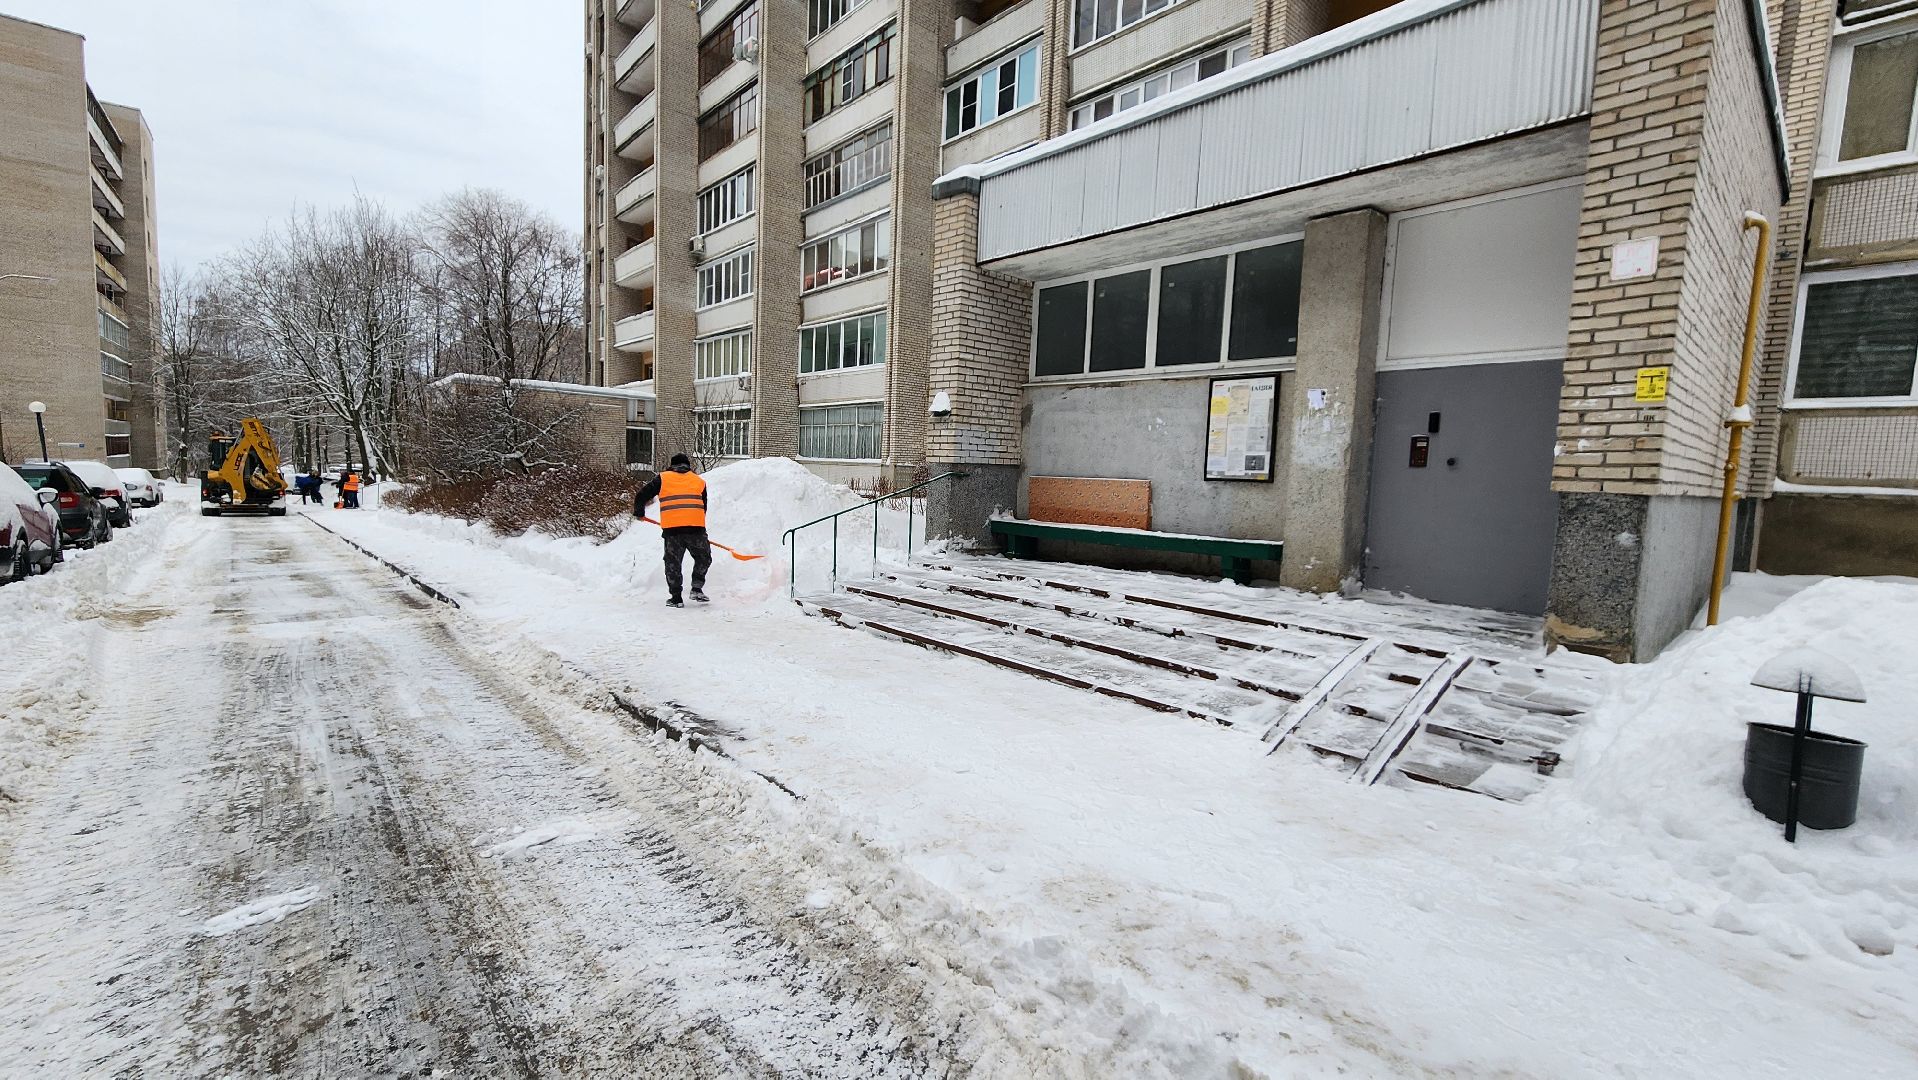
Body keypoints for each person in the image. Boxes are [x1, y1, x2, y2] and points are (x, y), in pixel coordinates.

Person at [635, 453, 710, 608]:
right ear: (688, 466)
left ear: (672, 465)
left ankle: (676, 598)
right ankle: (697, 588)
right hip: (696, 529)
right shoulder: (699, 481)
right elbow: (704, 506)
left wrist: (639, 512)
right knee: (703, 558)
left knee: (673, 563)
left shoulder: (662, 478)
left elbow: (642, 495)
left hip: (673, 530)